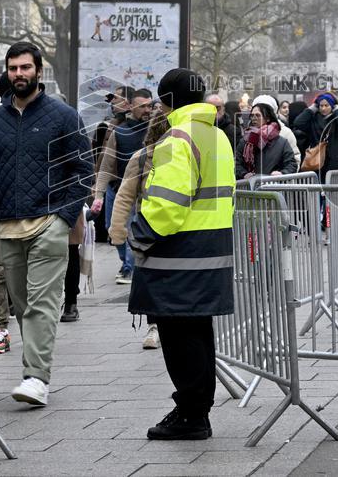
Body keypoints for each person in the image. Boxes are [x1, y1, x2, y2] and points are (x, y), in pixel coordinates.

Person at [0, 41, 93, 407]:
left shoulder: (63, 115)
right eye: (13, 69)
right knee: (23, 307)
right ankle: (35, 370)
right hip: (7, 228)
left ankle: (36, 377)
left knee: (41, 303)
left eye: (25, 68)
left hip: (48, 224)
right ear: (6, 73)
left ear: (39, 71)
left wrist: (63, 218)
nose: (19, 74)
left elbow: (83, 170)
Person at [127, 68, 235, 441]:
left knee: (179, 337)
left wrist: (137, 236)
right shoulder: (217, 136)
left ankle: (191, 414)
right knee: (199, 333)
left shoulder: (176, 139)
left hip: (179, 256)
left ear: (167, 101)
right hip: (211, 249)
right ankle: (195, 409)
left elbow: (167, 206)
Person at [108, 108, 171, 350]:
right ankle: (154, 326)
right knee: (152, 281)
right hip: (148, 229)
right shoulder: (143, 157)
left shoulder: (185, 155)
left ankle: (165, 324)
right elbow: (125, 196)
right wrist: (117, 231)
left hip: (176, 229)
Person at [92, 89, 152, 285]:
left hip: (144, 191)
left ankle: (129, 267)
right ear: (131, 106)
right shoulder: (119, 131)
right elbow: (107, 164)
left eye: (149, 105)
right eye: (142, 106)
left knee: (133, 229)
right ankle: (127, 262)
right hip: (118, 188)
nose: (147, 109)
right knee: (112, 228)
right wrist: (98, 194)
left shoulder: (156, 130)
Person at [294, 93, 338, 180]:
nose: (323, 108)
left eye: (326, 105)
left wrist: (337, 111)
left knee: (335, 189)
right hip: (317, 160)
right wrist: (310, 109)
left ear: (332, 106)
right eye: (321, 105)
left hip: (336, 160)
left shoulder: (337, 119)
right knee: (319, 188)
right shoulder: (313, 119)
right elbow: (298, 123)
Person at [235, 102, 298, 179]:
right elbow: (236, 163)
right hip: (250, 188)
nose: (254, 118)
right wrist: (244, 174)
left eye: (258, 115)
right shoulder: (245, 141)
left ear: (268, 118)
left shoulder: (282, 142)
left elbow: (292, 164)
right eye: (252, 115)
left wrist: (282, 173)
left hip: (274, 187)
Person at [251, 95, 300, 169]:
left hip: (279, 179)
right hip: (254, 179)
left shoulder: (285, 132)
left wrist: (282, 174)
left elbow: (295, 159)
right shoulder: (249, 134)